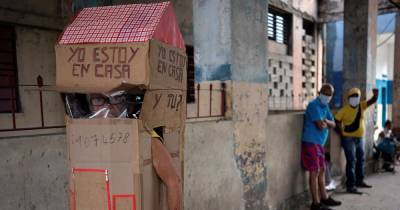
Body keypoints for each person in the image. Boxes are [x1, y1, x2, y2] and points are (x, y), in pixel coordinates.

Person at [87, 92, 182, 210]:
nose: (108, 107)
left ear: (127, 102)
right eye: (98, 100)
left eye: (115, 98)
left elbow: (173, 182)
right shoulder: (82, 137)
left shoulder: (146, 135)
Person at [301, 84, 341, 210]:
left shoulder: (325, 107)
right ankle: (316, 204)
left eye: (330, 95)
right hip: (311, 142)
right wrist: (326, 122)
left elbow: (333, 124)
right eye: (325, 93)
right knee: (315, 171)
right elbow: (319, 125)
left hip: (319, 144)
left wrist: (327, 122)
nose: (327, 96)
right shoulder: (314, 105)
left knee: (322, 170)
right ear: (320, 92)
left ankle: (324, 198)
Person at [334, 88, 378, 194]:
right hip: (348, 139)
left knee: (361, 159)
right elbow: (336, 120)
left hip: (360, 138)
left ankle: (360, 181)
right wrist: (342, 133)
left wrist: (376, 95)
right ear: (349, 98)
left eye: (356, 97)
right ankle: (351, 185)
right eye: (352, 97)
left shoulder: (361, 106)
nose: (355, 99)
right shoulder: (344, 110)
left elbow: (371, 101)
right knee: (351, 161)